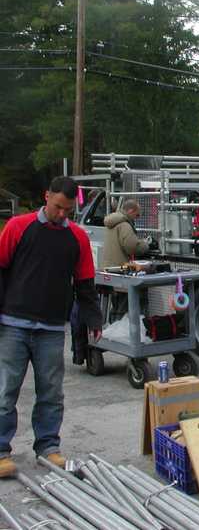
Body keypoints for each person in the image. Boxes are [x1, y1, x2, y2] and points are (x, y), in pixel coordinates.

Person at [0, 176, 102, 477]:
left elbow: (85, 282)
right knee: (7, 390)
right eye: (58, 207)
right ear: (47, 196)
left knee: (51, 391)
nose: (61, 215)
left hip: (52, 328)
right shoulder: (18, 227)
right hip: (14, 323)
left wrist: (93, 318)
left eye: (68, 210)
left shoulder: (78, 238)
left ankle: (48, 448)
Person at [100, 199, 150, 269]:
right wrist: (145, 244)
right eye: (137, 215)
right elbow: (132, 248)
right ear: (130, 211)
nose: (137, 218)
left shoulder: (112, 222)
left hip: (108, 267)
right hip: (119, 268)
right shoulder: (125, 225)